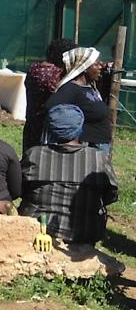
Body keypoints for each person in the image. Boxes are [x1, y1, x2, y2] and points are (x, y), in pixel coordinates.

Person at [21, 104, 120, 245]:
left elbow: (19, 189)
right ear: (80, 128)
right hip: (85, 233)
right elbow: (111, 194)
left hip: (39, 231)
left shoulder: (34, 155)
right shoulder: (98, 158)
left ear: (50, 128)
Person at [45, 47, 112, 151]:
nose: (100, 67)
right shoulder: (70, 89)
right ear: (85, 67)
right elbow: (52, 108)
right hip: (87, 146)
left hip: (98, 145)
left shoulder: (88, 87)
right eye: (96, 64)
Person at [22, 38, 76, 153]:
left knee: (30, 157)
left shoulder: (34, 68)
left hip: (32, 121)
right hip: (46, 126)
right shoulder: (54, 75)